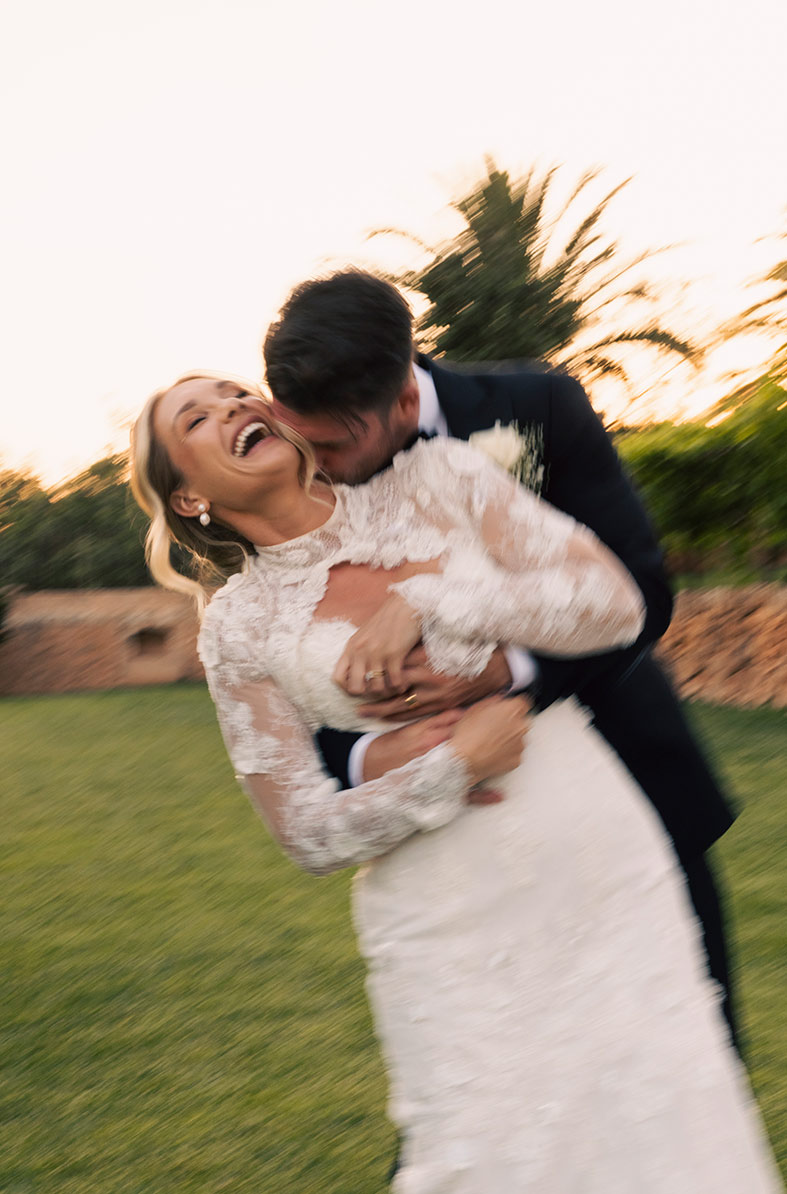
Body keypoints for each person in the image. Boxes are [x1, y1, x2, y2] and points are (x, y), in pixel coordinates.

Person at [131, 371, 782, 1191]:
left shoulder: (436, 479)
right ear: (187, 496)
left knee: (657, 1110)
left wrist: (436, 598)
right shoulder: (235, 629)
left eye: (235, 392)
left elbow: (613, 603)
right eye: (198, 416)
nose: (233, 406)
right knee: (481, 1146)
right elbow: (304, 832)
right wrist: (453, 767)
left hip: (591, 851)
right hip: (439, 906)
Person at [263, 269, 741, 1046]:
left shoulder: (541, 409)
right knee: (489, 1078)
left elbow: (642, 591)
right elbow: (294, 661)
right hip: (460, 838)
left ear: (406, 404)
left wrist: (504, 673)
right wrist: (378, 753)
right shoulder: (291, 474)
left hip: (627, 775)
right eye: (298, 439)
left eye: (333, 444)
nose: (312, 463)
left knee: (687, 1051)